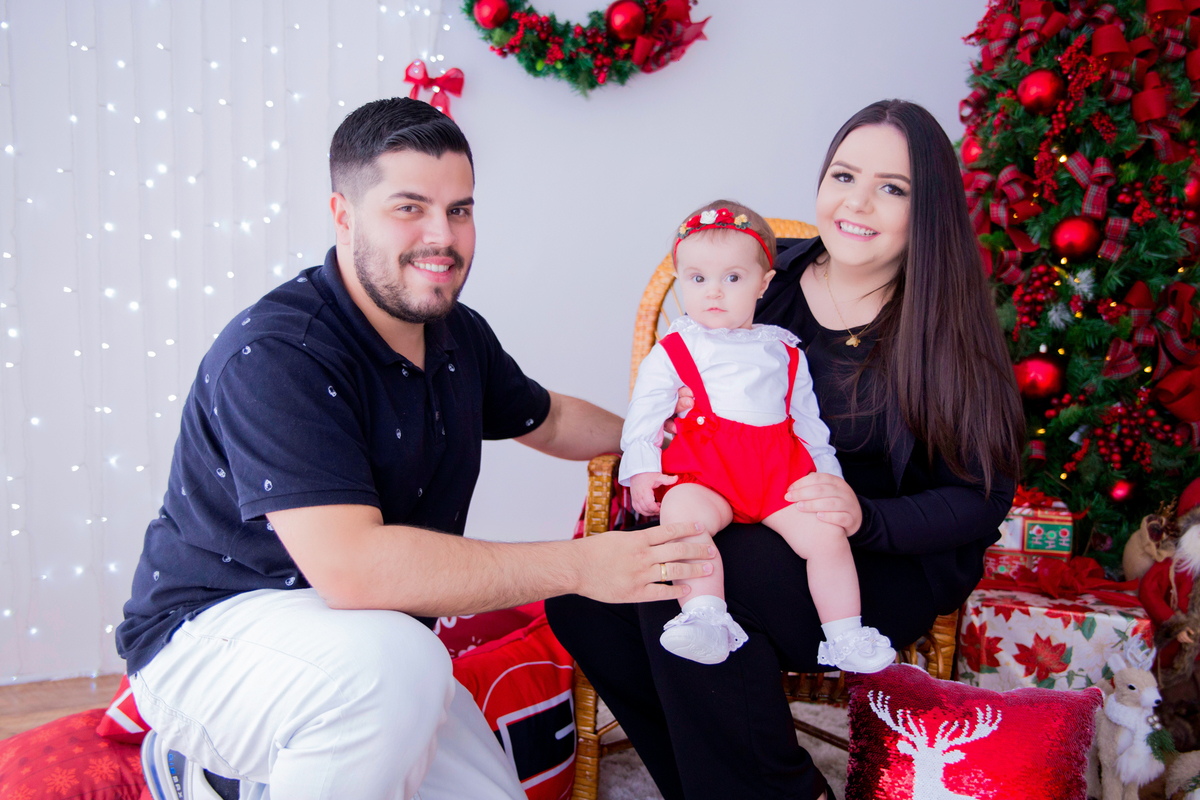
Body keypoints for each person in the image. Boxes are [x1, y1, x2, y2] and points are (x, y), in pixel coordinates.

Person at [116, 97, 717, 800]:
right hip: (213, 636)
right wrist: (583, 566)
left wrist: (667, 435)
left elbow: (548, 418)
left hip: (371, 647)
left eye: (459, 209)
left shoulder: (459, 334)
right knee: (401, 666)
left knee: (455, 743)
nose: (444, 235)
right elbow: (355, 570)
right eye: (410, 208)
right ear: (343, 215)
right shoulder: (279, 353)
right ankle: (214, 772)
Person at [546, 99, 1024, 800]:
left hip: (874, 559)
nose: (856, 202)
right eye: (844, 175)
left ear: (930, 211)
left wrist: (867, 517)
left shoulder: (945, 327)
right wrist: (679, 435)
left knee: (695, 568)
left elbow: (983, 501)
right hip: (748, 509)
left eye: (892, 188)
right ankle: (718, 786)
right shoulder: (763, 283)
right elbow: (692, 384)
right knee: (589, 598)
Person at [620, 200, 895, 672]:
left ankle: (846, 634)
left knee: (828, 537)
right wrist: (643, 467)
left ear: (763, 284)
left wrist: (830, 480)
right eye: (697, 278)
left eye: (733, 278)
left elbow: (810, 428)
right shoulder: (675, 349)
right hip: (707, 476)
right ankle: (705, 616)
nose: (714, 292)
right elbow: (644, 416)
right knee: (683, 519)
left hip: (778, 477)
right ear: (681, 278)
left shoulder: (785, 352)